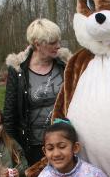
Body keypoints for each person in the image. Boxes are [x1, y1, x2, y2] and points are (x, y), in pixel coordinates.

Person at [4, 18, 70, 166]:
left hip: (63, 144)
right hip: (33, 148)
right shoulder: (18, 70)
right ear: (37, 44)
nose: (58, 46)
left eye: (58, 41)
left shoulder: (65, 65)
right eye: (52, 42)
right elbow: (9, 115)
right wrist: (14, 150)